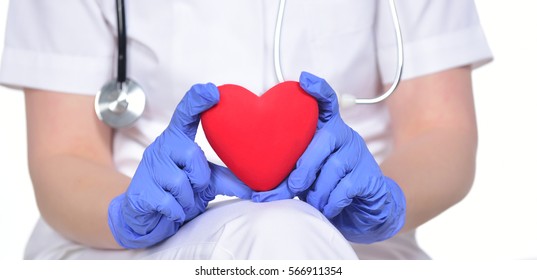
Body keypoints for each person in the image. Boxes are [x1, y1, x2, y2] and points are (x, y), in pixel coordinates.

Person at [0, 0, 492, 259]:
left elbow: (441, 130)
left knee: (289, 235)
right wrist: (125, 215)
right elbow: (63, 154)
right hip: (130, 258)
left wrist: (388, 200)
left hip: (356, 252)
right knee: (279, 233)